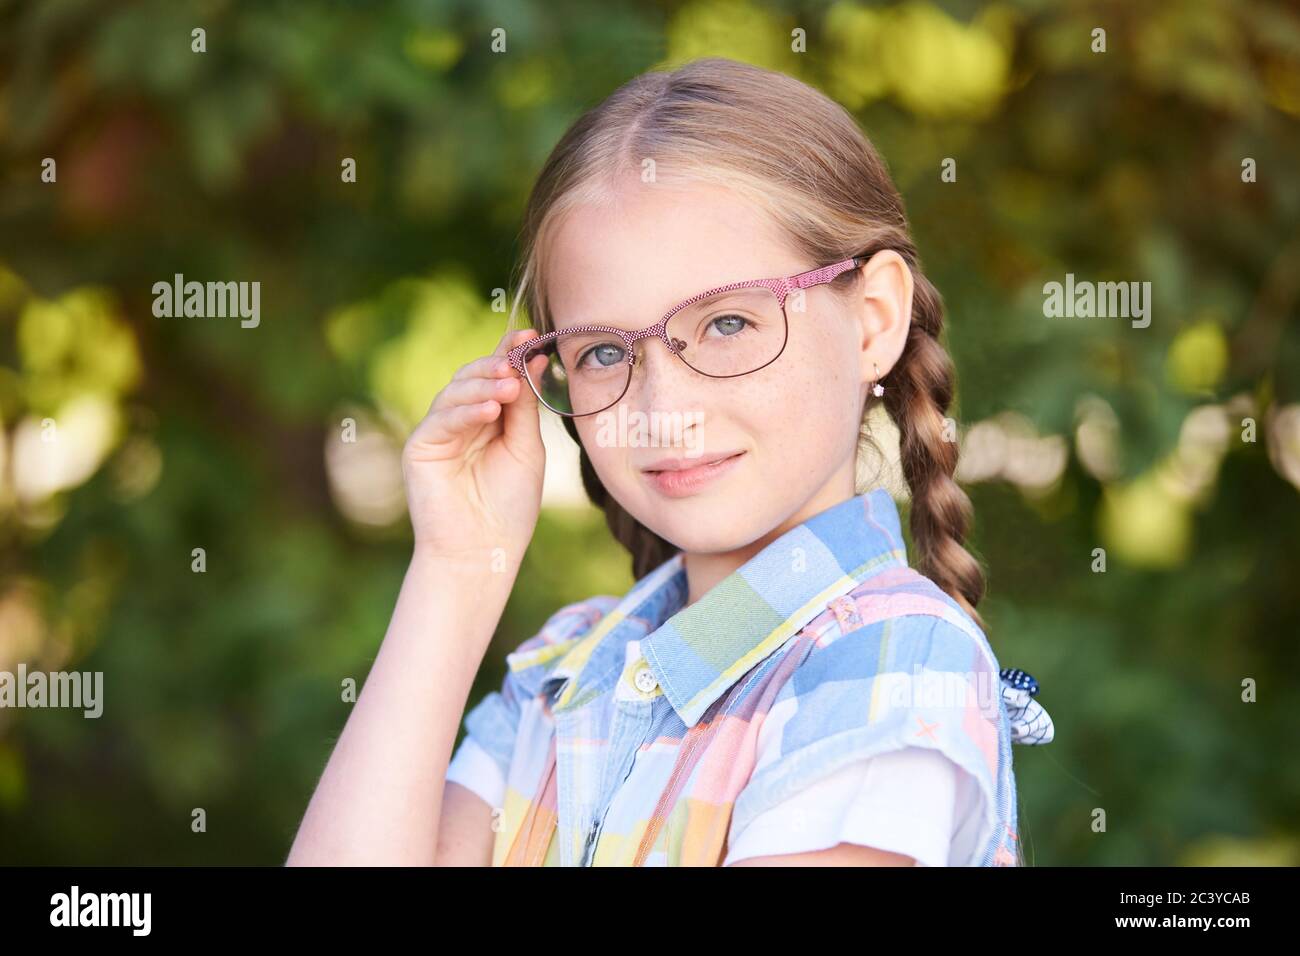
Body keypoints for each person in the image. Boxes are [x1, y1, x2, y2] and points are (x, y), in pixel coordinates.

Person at [287, 56, 1054, 868]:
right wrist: (456, 571)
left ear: (871, 321)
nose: (663, 410)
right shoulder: (563, 672)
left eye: (727, 324)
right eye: (607, 351)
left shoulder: (889, 663)